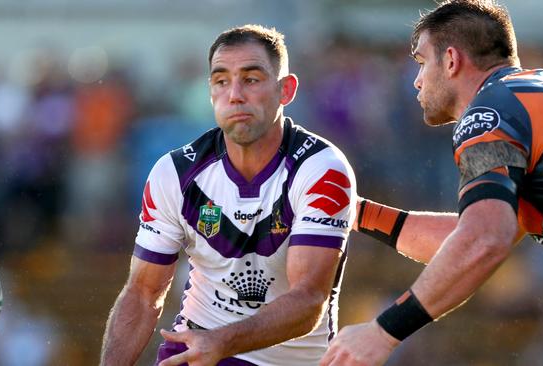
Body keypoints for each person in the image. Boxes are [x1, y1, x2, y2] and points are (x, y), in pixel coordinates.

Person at [321, 1, 543, 365]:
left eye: (420, 61)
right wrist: (357, 213)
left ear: (450, 60)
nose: (415, 80)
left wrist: (384, 330)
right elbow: (466, 241)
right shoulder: (540, 88)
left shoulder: (486, 114)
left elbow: (483, 240)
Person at [100, 24, 357, 366]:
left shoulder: (320, 169)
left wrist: (220, 343)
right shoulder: (175, 172)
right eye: (221, 81)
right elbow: (144, 293)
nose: (234, 94)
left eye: (251, 79)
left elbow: (309, 300)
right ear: (210, 91)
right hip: (198, 348)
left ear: (286, 90)